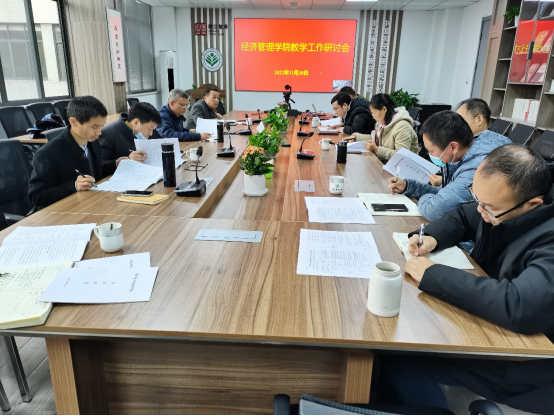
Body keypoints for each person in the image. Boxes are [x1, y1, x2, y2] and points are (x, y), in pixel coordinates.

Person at [381, 145, 554, 415]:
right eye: (477, 197)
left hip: (525, 360)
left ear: (532, 204)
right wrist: (432, 237)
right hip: (490, 324)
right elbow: (465, 215)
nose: (481, 210)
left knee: (397, 357)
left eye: (489, 208)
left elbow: (521, 305)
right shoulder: (502, 206)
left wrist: (431, 274)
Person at [388, 111, 511, 222]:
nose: (430, 155)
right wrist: (409, 186)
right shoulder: (483, 143)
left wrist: (427, 197)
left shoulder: (477, 169)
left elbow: (434, 210)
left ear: (453, 147)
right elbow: (447, 193)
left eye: (431, 151)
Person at [28, 96, 107, 210]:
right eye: (94, 127)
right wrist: (74, 186)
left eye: (102, 126)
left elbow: (95, 169)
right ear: (73, 122)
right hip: (63, 212)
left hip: (89, 205)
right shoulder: (47, 153)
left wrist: (117, 163)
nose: (99, 132)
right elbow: (37, 195)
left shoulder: (92, 143)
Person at [98, 102, 162, 176]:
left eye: (153, 129)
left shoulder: (148, 130)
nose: (151, 133)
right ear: (136, 123)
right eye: (150, 128)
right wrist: (127, 160)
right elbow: (100, 166)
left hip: (148, 174)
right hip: (122, 178)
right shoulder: (107, 134)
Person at [350, 93, 418, 162]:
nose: (373, 117)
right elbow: (375, 138)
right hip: (386, 163)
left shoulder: (402, 127)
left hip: (401, 167)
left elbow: (401, 157)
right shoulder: (383, 123)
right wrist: (355, 137)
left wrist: (376, 149)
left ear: (384, 109)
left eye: (374, 113)